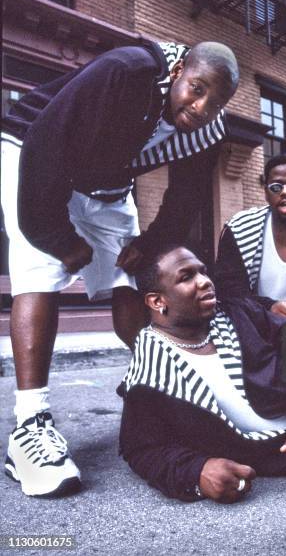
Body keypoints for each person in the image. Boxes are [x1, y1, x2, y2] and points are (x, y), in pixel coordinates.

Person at [2, 40, 239, 497]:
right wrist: (58, 237)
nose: (201, 106)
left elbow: (186, 195)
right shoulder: (126, 72)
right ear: (178, 71)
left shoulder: (206, 130)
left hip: (107, 181)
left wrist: (148, 243)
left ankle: (159, 392)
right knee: (42, 271)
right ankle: (30, 426)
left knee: (137, 280)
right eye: (197, 89)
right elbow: (45, 144)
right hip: (30, 149)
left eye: (216, 102)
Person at [118, 244, 286, 502]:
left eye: (203, 272)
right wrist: (197, 473)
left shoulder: (234, 313)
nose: (205, 282)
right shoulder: (150, 373)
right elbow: (141, 448)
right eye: (187, 277)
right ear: (157, 301)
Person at [215, 154, 286, 322]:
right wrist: (269, 307)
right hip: (262, 329)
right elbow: (228, 291)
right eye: (276, 187)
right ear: (266, 193)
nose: (285, 192)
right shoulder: (241, 228)